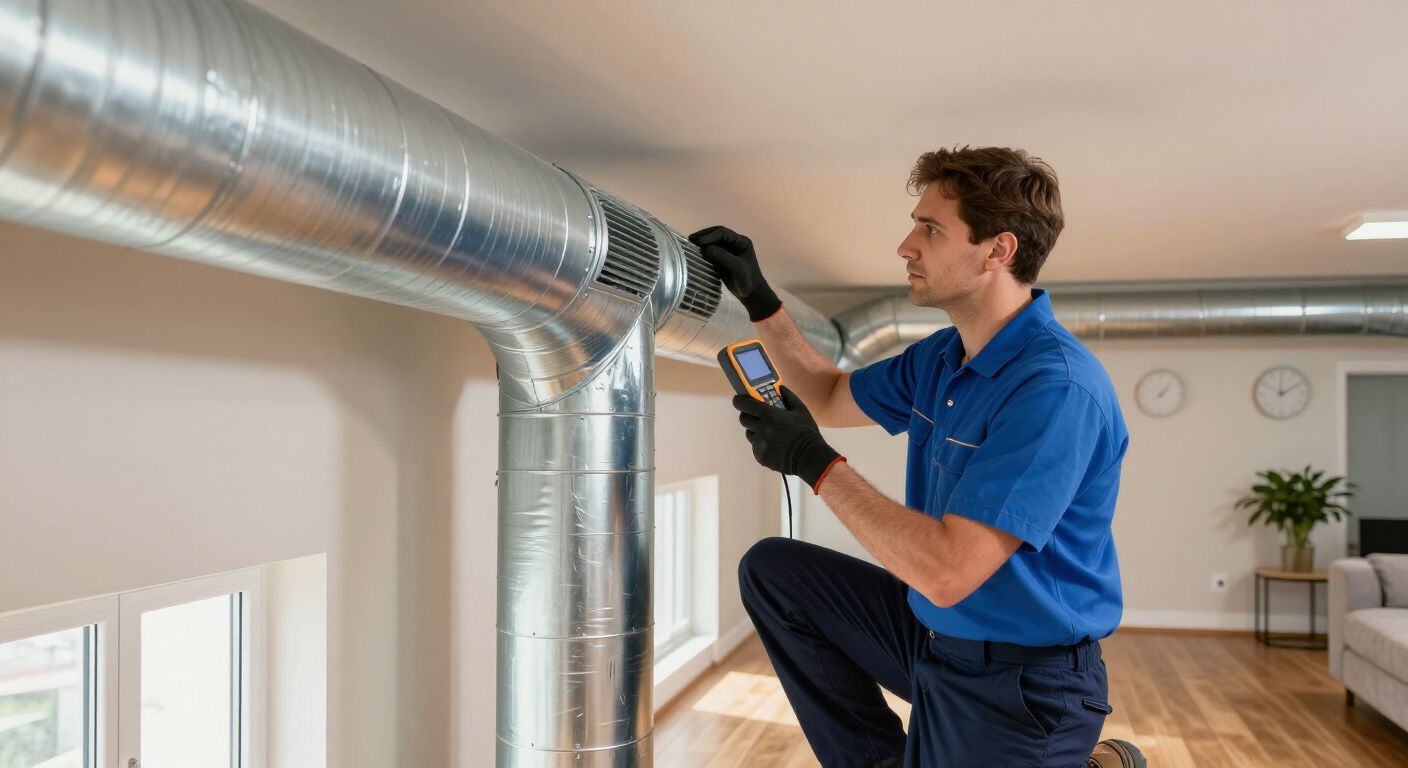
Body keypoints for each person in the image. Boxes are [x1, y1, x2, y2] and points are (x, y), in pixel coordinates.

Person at [690, 146, 1134, 768]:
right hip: (934, 638)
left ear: (997, 250)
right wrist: (761, 300)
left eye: (930, 229)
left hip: (1023, 680)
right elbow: (828, 394)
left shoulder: (1055, 388)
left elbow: (951, 570)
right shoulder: (942, 357)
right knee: (775, 572)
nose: (906, 245)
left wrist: (816, 464)